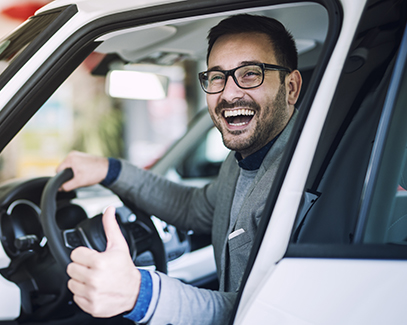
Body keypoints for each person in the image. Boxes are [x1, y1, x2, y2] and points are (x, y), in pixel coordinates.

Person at [56, 14, 303, 325]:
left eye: (250, 74)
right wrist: (111, 170)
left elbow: (260, 313)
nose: (228, 93)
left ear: (291, 87)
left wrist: (140, 294)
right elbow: (194, 208)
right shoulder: (244, 158)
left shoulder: (299, 178)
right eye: (217, 77)